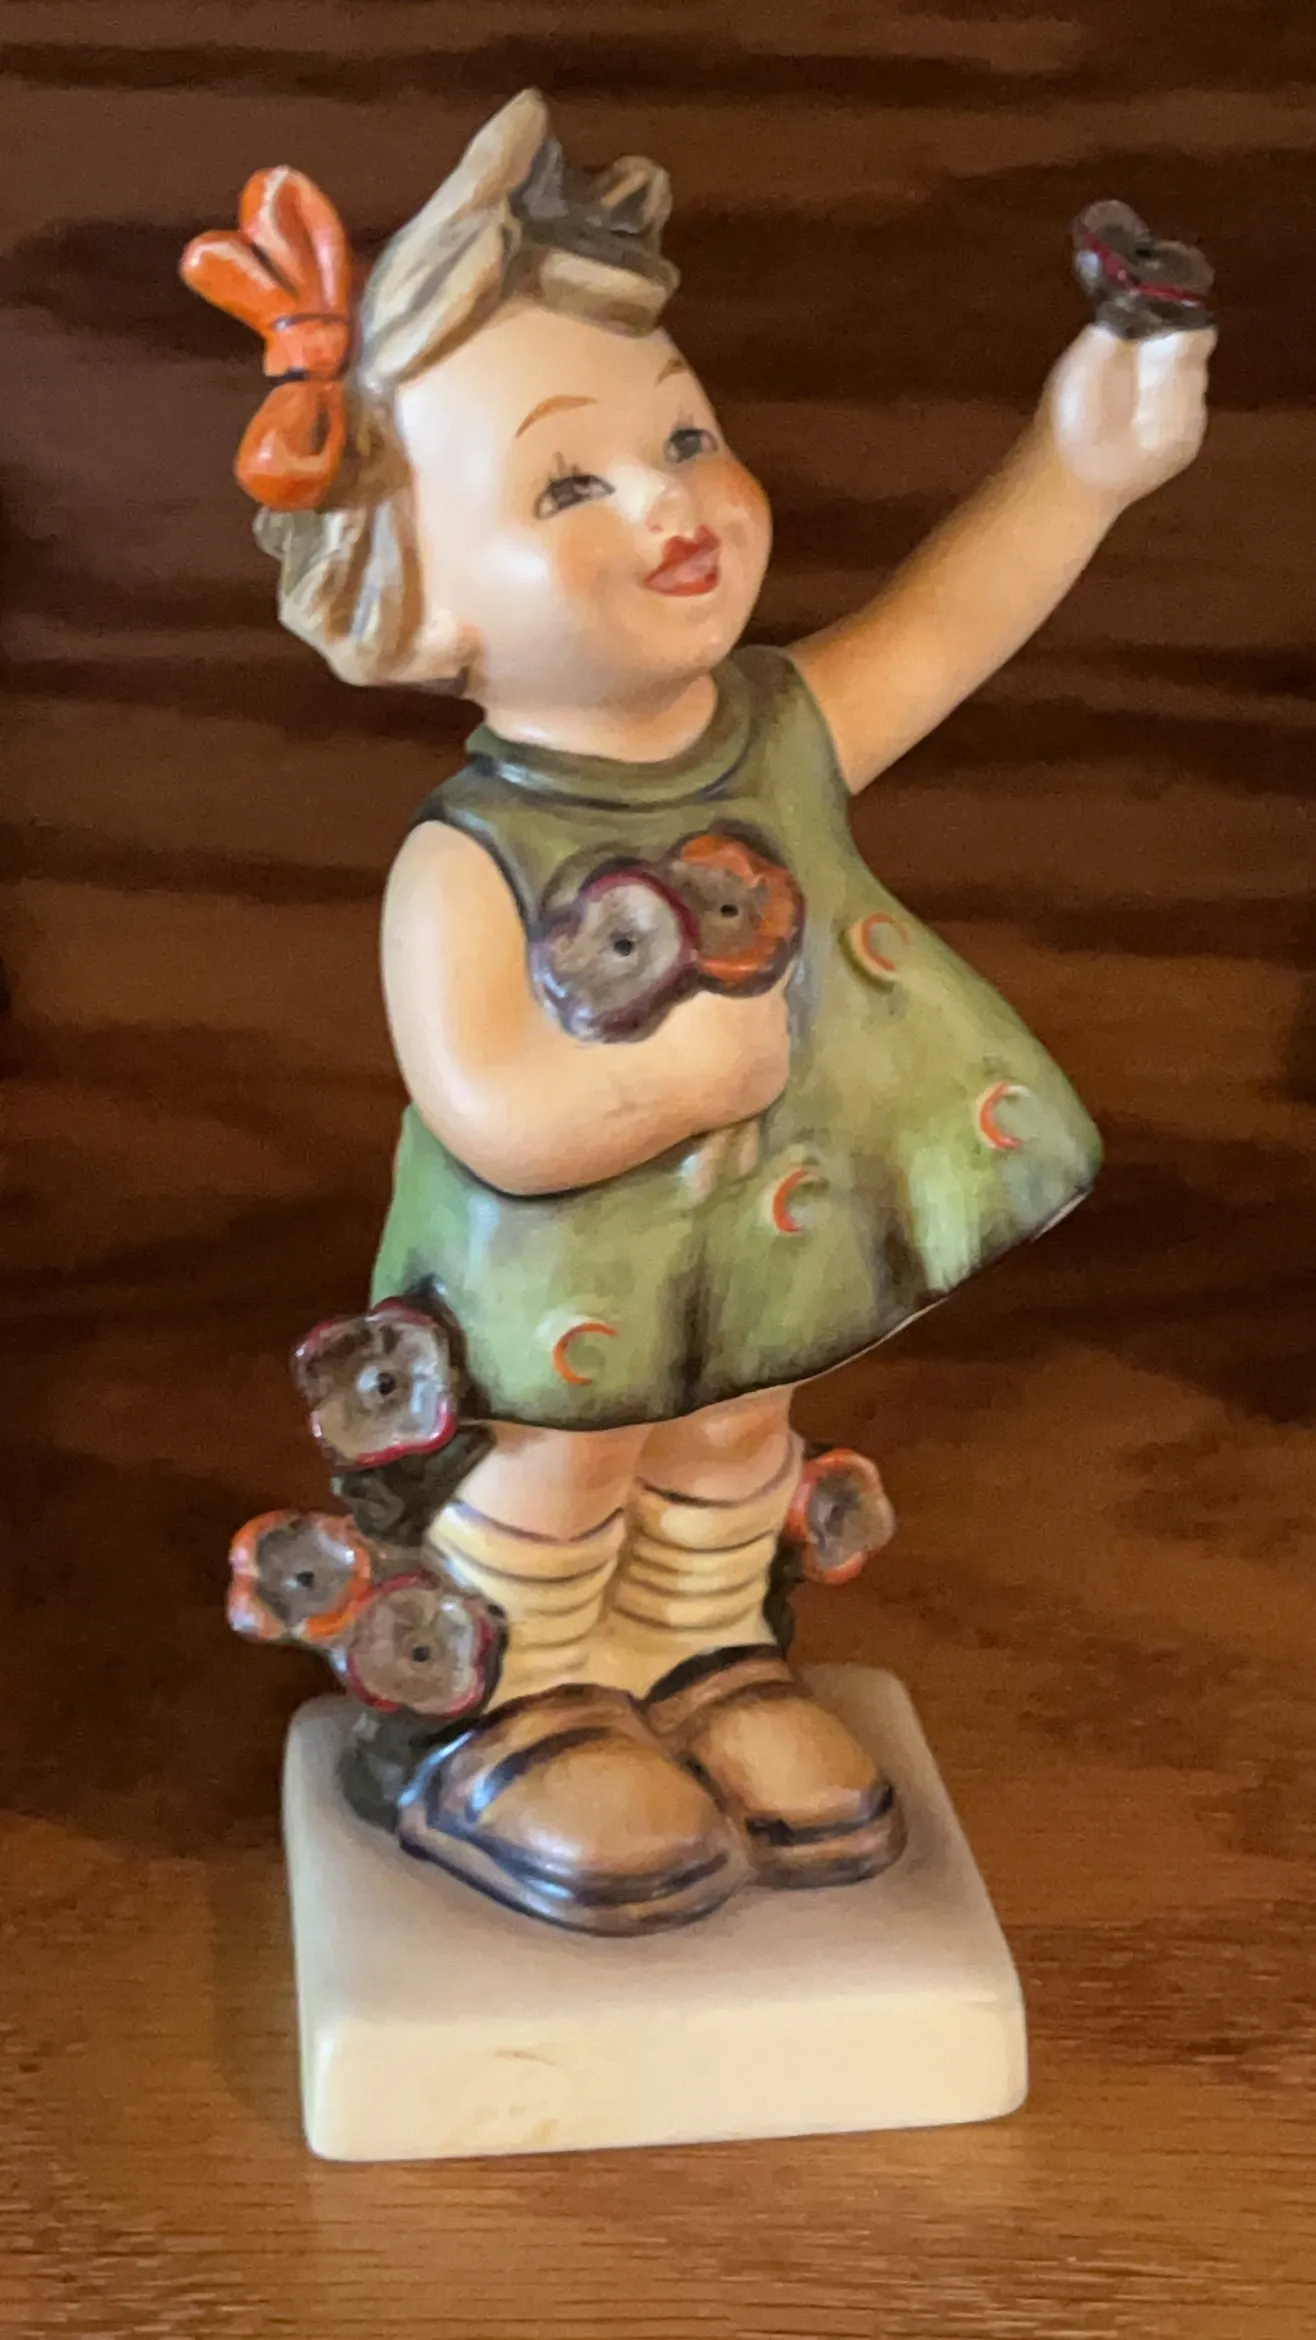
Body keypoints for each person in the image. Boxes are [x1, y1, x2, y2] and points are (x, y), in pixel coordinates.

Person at [184, 90, 1213, 1933]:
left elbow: (946, 624)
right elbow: (490, 1105)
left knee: (741, 1428)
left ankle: (705, 1657)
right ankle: (516, 1703)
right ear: (413, 605)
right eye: (567, 486)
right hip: (566, 1280)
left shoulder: (777, 732)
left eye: (683, 435)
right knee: (567, 1461)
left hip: (771, 1222)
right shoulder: (469, 857)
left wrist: (1081, 462)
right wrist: (664, 1086)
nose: (669, 501)